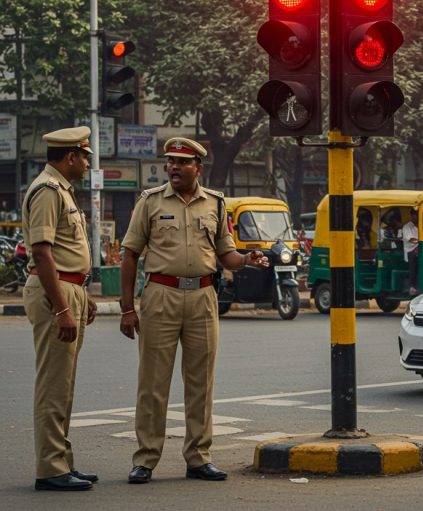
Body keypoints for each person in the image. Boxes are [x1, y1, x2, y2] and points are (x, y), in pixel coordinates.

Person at [118, 137, 269, 484]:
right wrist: (128, 308)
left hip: (202, 296)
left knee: (201, 383)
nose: (173, 167)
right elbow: (130, 255)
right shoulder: (150, 202)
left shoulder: (215, 204)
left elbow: (226, 254)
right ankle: (145, 458)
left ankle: (198, 457)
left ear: (197, 168)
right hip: (160, 295)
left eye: (182, 163)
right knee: (153, 383)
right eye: (170, 162)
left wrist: (247, 259)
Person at [22, 127, 98, 491]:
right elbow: (42, 251)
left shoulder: (62, 190)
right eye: (84, 157)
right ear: (70, 157)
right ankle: (50, 468)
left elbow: (66, 251)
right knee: (53, 384)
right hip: (56, 291)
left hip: (70, 287)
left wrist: (83, 294)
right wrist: (62, 308)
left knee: (63, 384)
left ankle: (61, 461)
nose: (86, 163)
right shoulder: (48, 191)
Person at [401, 209, 419, 295]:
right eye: (415, 215)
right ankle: (412, 286)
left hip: (420, 249)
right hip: (410, 251)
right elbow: (411, 239)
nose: (417, 217)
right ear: (412, 216)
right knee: (414, 258)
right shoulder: (407, 227)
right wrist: (422, 242)